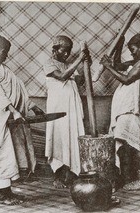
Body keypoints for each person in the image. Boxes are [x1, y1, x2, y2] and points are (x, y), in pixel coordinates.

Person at [0, 34, 45, 205]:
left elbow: (18, 89)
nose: (7, 54)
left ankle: (8, 192)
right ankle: (2, 195)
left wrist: (32, 106)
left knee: (12, 154)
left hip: (11, 118)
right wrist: (13, 111)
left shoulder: (5, 69)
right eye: (5, 51)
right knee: (1, 152)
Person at [100, 33, 140, 190]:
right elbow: (118, 66)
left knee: (136, 141)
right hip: (127, 107)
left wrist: (107, 66)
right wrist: (119, 44)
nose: (131, 53)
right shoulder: (138, 61)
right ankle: (127, 177)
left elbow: (126, 79)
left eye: (133, 49)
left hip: (136, 107)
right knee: (124, 139)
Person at [44, 35, 90, 188]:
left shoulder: (70, 65)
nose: (67, 54)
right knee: (58, 139)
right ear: (55, 49)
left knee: (72, 137)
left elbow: (79, 81)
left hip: (72, 109)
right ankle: (58, 176)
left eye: (69, 51)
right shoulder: (49, 64)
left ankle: (71, 175)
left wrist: (85, 64)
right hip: (58, 109)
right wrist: (79, 60)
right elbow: (63, 77)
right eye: (64, 51)